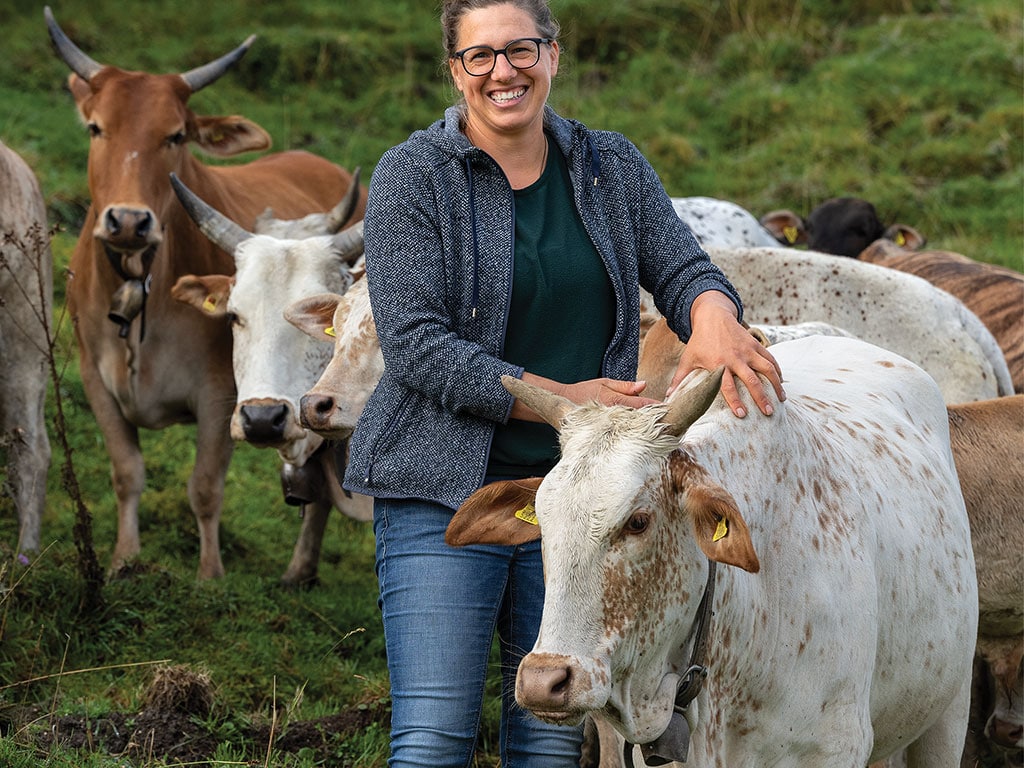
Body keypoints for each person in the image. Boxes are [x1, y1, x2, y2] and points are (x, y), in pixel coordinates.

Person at [344, 1, 786, 765]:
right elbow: (417, 345)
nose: (502, 71)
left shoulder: (607, 162)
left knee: (550, 739)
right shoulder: (412, 176)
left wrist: (713, 314)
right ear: (456, 71)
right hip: (443, 488)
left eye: (520, 49)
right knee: (434, 737)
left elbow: (683, 268)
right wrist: (570, 398)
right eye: (480, 56)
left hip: (591, 503)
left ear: (553, 54)